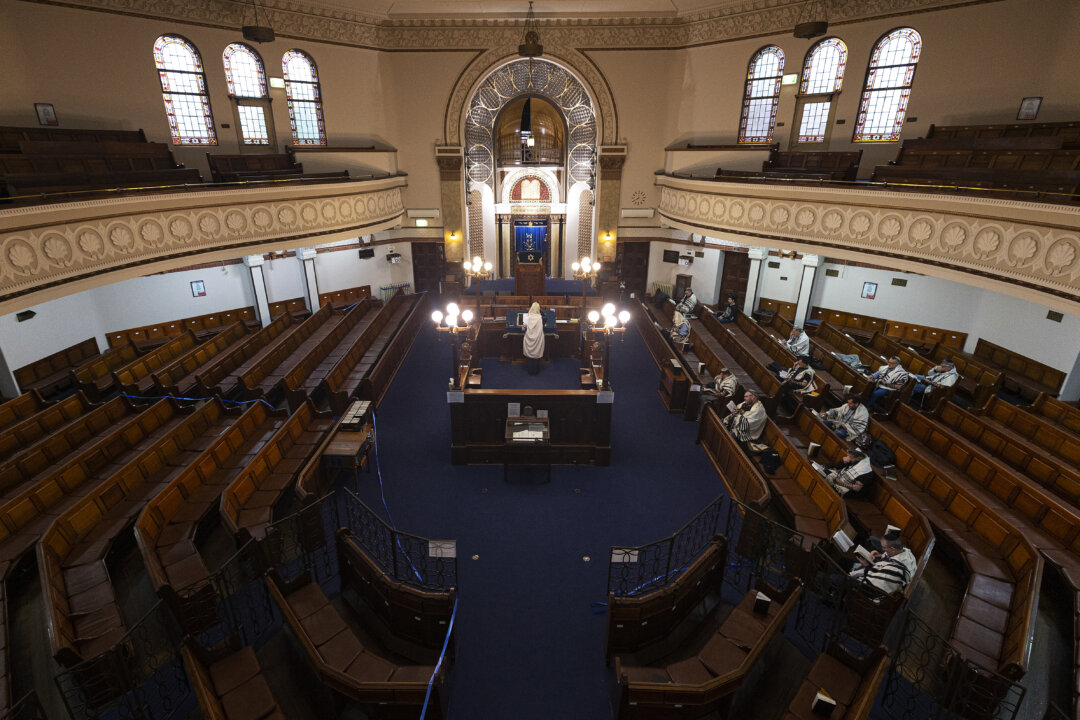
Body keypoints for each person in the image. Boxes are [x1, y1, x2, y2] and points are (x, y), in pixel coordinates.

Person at [849, 532, 917, 597]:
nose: (883, 549)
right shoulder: (905, 551)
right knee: (872, 539)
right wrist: (880, 555)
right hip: (885, 572)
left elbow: (873, 586)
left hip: (873, 591)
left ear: (892, 549)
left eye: (884, 547)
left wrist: (866, 566)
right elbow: (889, 558)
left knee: (847, 575)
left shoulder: (896, 568)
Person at [521, 302, 545, 375]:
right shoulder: (541, 317)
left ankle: (530, 370)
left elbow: (523, 328)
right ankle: (536, 370)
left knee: (530, 354)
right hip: (538, 338)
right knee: (536, 353)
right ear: (538, 308)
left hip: (529, 338)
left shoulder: (527, 317)